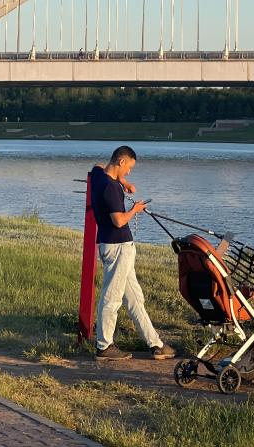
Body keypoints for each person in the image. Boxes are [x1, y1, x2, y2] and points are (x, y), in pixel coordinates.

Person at [90, 145, 175, 361]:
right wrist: (135, 210)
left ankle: (155, 344)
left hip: (117, 247)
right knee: (112, 297)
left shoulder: (100, 176)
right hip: (118, 247)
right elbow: (118, 221)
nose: (129, 172)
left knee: (135, 299)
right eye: (129, 167)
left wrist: (124, 182)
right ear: (121, 162)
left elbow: (98, 165)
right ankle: (104, 346)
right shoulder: (110, 187)